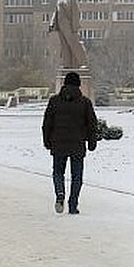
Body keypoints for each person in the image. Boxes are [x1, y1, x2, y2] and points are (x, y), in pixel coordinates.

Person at [42, 71, 98, 215]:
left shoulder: (54, 101)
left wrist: (47, 141)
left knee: (58, 172)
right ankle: (73, 204)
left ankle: (60, 193)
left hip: (58, 143)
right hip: (78, 144)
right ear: (78, 85)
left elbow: (47, 123)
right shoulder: (85, 103)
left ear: (64, 84)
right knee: (76, 176)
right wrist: (92, 142)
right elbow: (92, 124)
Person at [48, 0, 88, 70]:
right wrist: (52, 23)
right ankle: (67, 64)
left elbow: (75, 12)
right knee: (65, 45)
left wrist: (75, 26)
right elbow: (56, 12)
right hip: (61, 26)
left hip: (69, 26)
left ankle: (82, 62)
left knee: (75, 44)